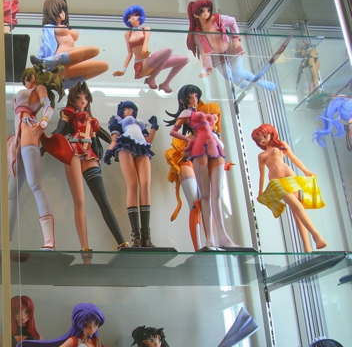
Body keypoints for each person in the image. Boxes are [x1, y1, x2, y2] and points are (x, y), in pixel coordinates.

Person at [46, 81, 126, 249]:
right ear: (72, 98)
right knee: (79, 201)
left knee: (103, 200)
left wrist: (114, 145)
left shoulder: (91, 120)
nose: (83, 100)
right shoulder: (68, 113)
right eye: (78, 97)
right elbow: (60, 129)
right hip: (73, 151)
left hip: (89, 153)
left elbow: (99, 135)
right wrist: (46, 143)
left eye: (85, 97)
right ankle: (85, 248)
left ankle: (122, 242)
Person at [166, 84, 238, 250]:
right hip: (200, 148)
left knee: (217, 194)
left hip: (216, 148)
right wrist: (189, 140)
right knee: (205, 196)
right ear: (183, 100)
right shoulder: (187, 113)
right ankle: (210, 239)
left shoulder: (203, 113)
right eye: (190, 97)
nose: (194, 99)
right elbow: (173, 131)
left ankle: (223, 237)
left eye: (196, 96)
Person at [8, 65, 64, 250]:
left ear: (32, 77)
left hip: (28, 129)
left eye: (27, 77)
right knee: (12, 193)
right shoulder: (28, 91)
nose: (26, 80)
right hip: (18, 136)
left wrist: (45, 121)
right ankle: (6, 240)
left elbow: (48, 107)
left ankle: (49, 241)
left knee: (35, 184)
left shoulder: (38, 88)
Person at [252, 123, 326, 252]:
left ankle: (307, 247)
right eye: (259, 140)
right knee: (296, 206)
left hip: (289, 176)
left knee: (297, 212)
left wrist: (306, 171)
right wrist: (260, 191)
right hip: (276, 182)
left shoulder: (281, 145)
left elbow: (293, 158)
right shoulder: (261, 156)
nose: (262, 140)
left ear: (271, 133)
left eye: (264, 136)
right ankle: (316, 235)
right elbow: (261, 174)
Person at [186, 0, 276, 91]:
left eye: (208, 10)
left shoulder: (216, 18)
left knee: (239, 72)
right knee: (228, 75)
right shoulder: (198, 33)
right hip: (217, 56)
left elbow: (232, 21)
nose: (206, 13)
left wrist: (236, 38)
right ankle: (243, 85)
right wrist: (208, 68)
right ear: (195, 14)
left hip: (230, 48)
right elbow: (204, 51)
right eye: (201, 11)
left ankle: (264, 84)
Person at [103, 102, 159, 247]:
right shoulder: (118, 122)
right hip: (125, 146)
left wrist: (154, 127)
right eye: (126, 109)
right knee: (132, 185)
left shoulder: (139, 124)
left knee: (145, 185)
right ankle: (136, 237)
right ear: (121, 111)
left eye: (131, 109)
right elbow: (114, 139)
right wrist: (109, 151)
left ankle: (146, 237)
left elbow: (148, 141)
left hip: (142, 147)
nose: (129, 111)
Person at [31, 0, 109, 89]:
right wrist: (42, 62)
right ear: (52, 11)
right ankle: (50, 61)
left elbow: (75, 34)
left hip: (69, 63)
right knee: (94, 50)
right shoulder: (51, 27)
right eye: (60, 10)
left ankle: (74, 81)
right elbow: (47, 45)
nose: (63, 13)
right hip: (58, 63)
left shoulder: (64, 28)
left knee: (104, 65)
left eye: (64, 10)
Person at [112, 5, 187, 93]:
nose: (132, 18)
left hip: (150, 62)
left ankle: (165, 83)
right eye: (129, 17)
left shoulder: (146, 29)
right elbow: (129, 53)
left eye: (136, 14)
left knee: (185, 59)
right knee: (168, 51)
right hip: (141, 66)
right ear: (127, 20)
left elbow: (146, 42)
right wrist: (123, 70)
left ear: (140, 16)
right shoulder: (128, 33)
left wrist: (145, 51)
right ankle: (151, 79)